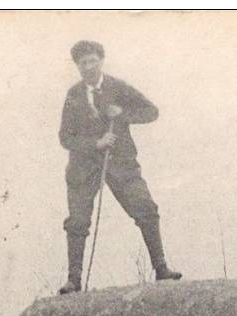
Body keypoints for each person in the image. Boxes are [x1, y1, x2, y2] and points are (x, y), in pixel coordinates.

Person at [58, 39, 181, 294]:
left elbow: (151, 111)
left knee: (145, 208)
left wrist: (122, 113)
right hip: (83, 168)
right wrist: (96, 143)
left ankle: (161, 269)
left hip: (121, 163)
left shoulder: (118, 87)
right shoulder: (73, 95)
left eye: (93, 61)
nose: (89, 67)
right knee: (77, 222)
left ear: (101, 61)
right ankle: (74, 281)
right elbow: (65, 138)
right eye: (83, 63)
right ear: (77, 67)